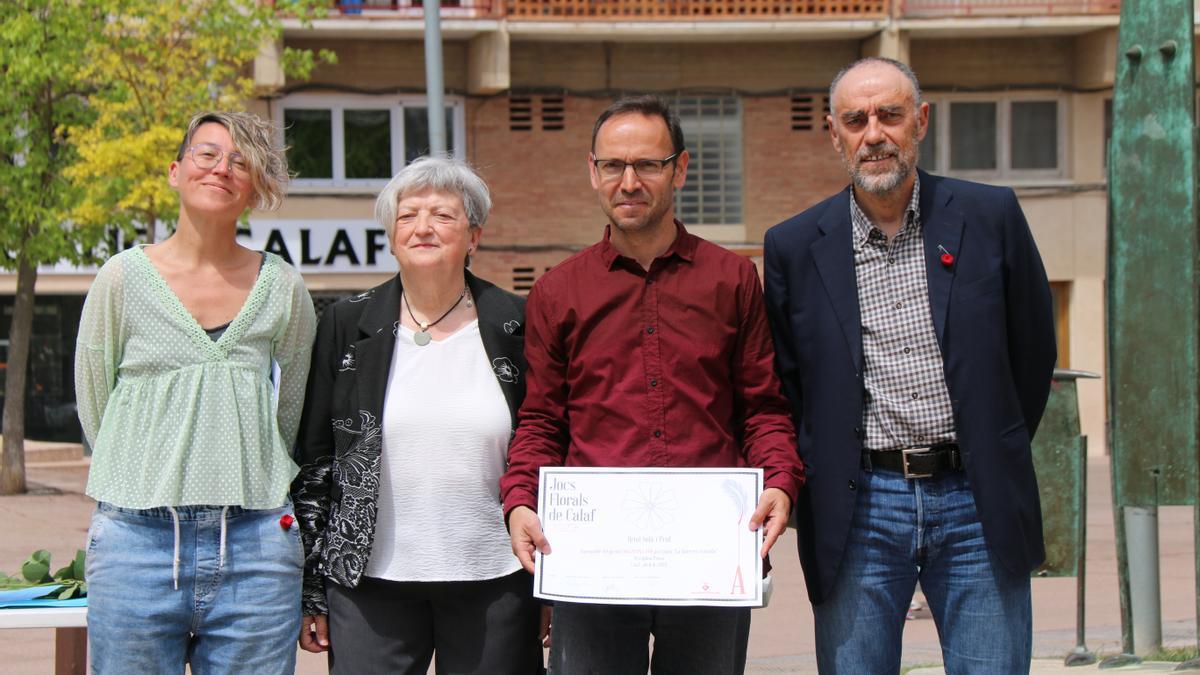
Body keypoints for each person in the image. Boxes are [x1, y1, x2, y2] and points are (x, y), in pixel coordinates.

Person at [763, 57, 1056, 673]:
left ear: (920, 121)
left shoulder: (991, 216)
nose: (874, 134)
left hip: (976, 501)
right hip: (859, 506)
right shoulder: (792, 246)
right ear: (833, 133)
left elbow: (1033, 352)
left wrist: (988, 446)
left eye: (889, 115)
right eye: (856, 120)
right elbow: (789, 383)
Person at [500, 95, 805, 674]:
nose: (629, 181)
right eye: (613, 165)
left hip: (710, 552)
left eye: (648, 164)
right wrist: (519, 501)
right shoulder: (557, 292)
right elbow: (542, 420)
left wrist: (781, 483)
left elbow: (763, 408)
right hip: (593, 559)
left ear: (681, 169)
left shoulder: (733, 279)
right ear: (593, 172)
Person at [75, 111, 316, 674]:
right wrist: (144, 465)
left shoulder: (281, 284)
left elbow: (295, 408)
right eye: (207, 154)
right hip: (137, 540)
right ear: (175, 171)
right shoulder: (121, 277)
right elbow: (94, 401)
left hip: (256, 545)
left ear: (254, 186)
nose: (222, 169)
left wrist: (253, 468)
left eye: (240, 162)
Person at [291, 157, 543, 674]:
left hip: (496, 578)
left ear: (474, 236)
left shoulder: (516, 323)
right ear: (390, 235)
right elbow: (316, 459)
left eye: (442, 216)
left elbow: (545, 444)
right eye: (407, 216)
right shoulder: (346, 322)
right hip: (370, 583)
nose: (423, 227)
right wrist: (312, 587)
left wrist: (551, 586)